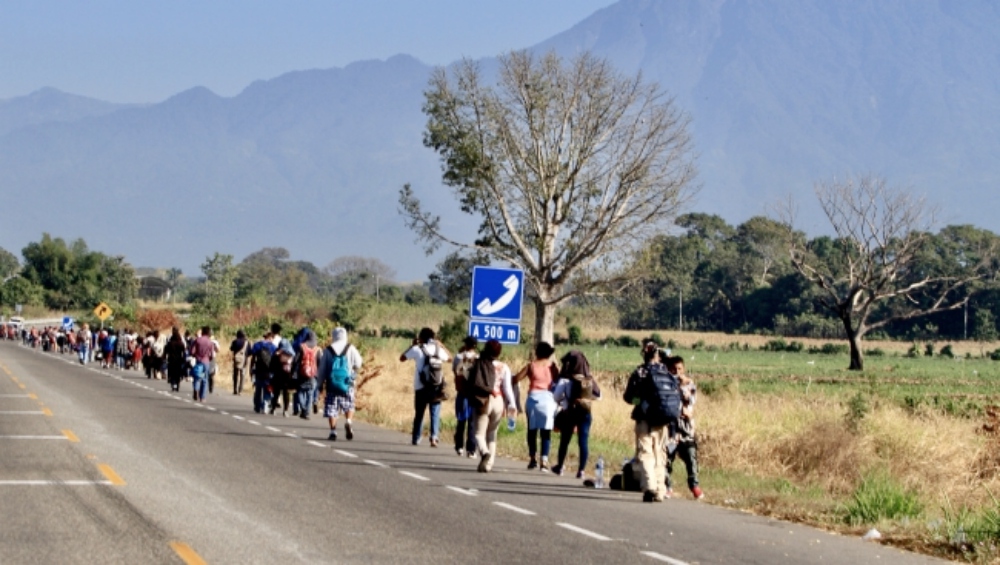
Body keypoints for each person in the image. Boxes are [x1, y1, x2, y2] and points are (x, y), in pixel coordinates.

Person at [623, 341, 681, 503]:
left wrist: (638, 401)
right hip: (664, 420)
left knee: (645, 452)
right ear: (658, 354)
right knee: (660, 454)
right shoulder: (665, 371)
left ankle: (650, 487)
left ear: (644, 353)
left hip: (644, 418)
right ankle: (661, 490)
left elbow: (628, 397)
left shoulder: (640, 371)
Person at [551, 350, 601, 479]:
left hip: (570, 413)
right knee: (583, 441)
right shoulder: (588, 379)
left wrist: (563, 402)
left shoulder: (566, 379)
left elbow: (556, 396)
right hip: (585, 413)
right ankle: (581, 471)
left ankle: (560, 466)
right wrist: (585, 399)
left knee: (565, 440)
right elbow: (599, 395)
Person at [469, 339, 517, 473]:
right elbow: (507, 388)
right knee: (492, 435)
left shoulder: (479, 362)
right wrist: (512, 404)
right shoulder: (504, 366)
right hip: (499, 400)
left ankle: (484, 453)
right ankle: (488, 465)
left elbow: (466, 375)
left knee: (478, 434)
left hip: (483, 399)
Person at [400, 327, 451, 447]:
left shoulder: (417, 349)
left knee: (419, 413)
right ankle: (434, 438)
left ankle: (416, 438)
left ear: (421, 338)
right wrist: (442, 345)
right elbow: (450, 359)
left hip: (420, 386)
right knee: (435, 413)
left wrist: (411, 346)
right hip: (436, 386)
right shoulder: (438, 350)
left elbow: (402, 358)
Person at [515, 341, 559, 472]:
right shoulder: (553, 367)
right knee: (546, 432)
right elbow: (559, 381)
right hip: (549, 401)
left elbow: (516, 378)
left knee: (531, 430)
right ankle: (544, 460)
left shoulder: (531, 366)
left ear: (537, 352)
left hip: (533, 400)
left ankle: (533, 458)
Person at [664, 355, 703, 500]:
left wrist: (682, 386)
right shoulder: (665, 384)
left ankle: (694, 486)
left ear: (684, 369)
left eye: (679, 369)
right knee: (667, 459)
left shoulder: (690, 384)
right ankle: (667, 486)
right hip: (671, 429)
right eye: (673, 369)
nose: (677, 372)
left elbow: (691, 401)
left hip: (686, 429)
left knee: (691, 457)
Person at [318, 327, 363, 440]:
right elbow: (358, 363)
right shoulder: (351, 348)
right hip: (348, 383)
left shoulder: (328, 350)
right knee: (349, 404)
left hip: (332, 384)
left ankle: (333, 431)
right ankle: (348, 420)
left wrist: (320, 385)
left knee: (332, 407)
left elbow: (322, 369)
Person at [451, 336, 479, 457]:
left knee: (461, 420)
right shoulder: (478, 358)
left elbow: (454, 370)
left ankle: (459, 446)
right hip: (473, 394)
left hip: (462, 392)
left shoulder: (458, 357)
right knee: (472, 423)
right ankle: (471, 449)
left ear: (466, 344)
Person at [292, 328, 320, 420]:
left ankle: (303, 409)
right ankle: (307, 412)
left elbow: (296, 360)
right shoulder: (317, 349)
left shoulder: (302, 346)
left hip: (302, 372)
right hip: (313, 374)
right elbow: (320, 362)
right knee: (310, 393)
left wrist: (293, 371)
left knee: (300, 391)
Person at [249, 332, 276, 414]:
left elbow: (253, 358)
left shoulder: (257, 345)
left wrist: (251, 368)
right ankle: (265, 405)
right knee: (268, 388)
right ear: (271, 338)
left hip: (259, 370)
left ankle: (257, 406)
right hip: (269, 371)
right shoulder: (274, 347)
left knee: (258, 389)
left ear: (265, 337)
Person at [189, 326, 216, 402]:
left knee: (196, 377)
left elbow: (192, 351)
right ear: (208, 333)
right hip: (206, 362)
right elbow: (212, 355)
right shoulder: (210, 342)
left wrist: (196, 355)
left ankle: (195, 389)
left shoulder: (197, 340)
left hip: (198, 361)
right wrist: (209, 359)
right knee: (204, 380)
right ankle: (202, 397)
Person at [164, 327, 188, 392]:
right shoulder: (181, 343)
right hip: (179, 360)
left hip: (171, 360)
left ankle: (172, 384)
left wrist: (164, 357)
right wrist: (184, 359)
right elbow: (184, 351)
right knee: (178, 373)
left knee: (171, 372)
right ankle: (177, 384)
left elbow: (165, 350)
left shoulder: (170, 343)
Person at [230, 330, 251, 395]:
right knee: (242, 375)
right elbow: (250, 352)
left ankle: (234, 389)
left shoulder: (235, 341)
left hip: (236, 360)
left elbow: (231, 349)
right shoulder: (247, 342)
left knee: (235, 375)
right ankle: (240, 390)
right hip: (244, 360)